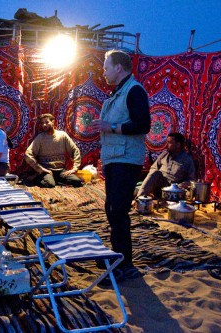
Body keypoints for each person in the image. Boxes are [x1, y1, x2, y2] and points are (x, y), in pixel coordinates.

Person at [90, 50, 151, 274]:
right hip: (116, 158)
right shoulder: (118, 92)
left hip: (127, 159)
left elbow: (143, 124)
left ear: (118, 68)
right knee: (112, 208)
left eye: (106, 67)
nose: (103, 71)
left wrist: (112, 127)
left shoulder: (134, 91)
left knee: (118, 210)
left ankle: (125, 264)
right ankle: (119, 256)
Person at [24, 113, 83, 188]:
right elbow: (28, 154)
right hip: (47, 171)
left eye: (47, 122)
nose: (44, 125)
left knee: (77, 181)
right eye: (42, 123)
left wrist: (75, 168)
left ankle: (56, 180)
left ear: (53, 122)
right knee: (50, 184)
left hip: (61, 170)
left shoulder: (62, 135)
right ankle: (37, 178)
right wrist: (40, 169)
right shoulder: (40, 138)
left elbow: (75, 150)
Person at [137, 132, 196, 198]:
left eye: (170, 143)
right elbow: (153, 168)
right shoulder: (164, 154)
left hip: (174, 190)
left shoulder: (187, 159)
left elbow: (191, 180)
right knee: (155, 173)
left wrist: (181, 185)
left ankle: (140, 198)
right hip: (159, 187)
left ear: (178, 145)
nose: (167, 145)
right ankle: (140, 199)